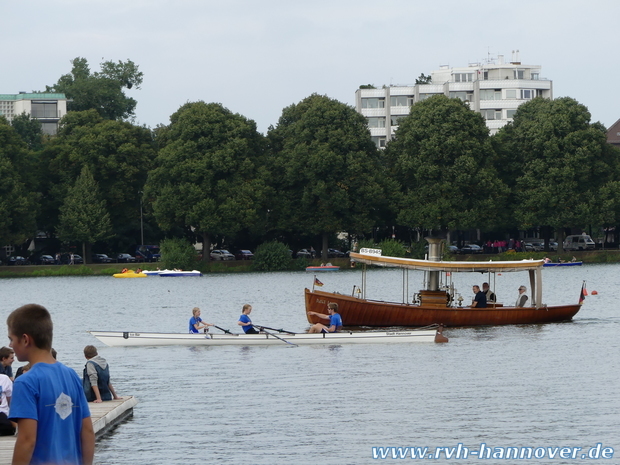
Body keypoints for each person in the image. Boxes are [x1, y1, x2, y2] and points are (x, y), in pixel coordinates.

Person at [7, 303, 94, 465]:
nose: (11, 345)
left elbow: (27, 440)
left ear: (25, 339)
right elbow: (88, 431)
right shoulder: (71, 375)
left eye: (11, 339)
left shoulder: (25, 382)